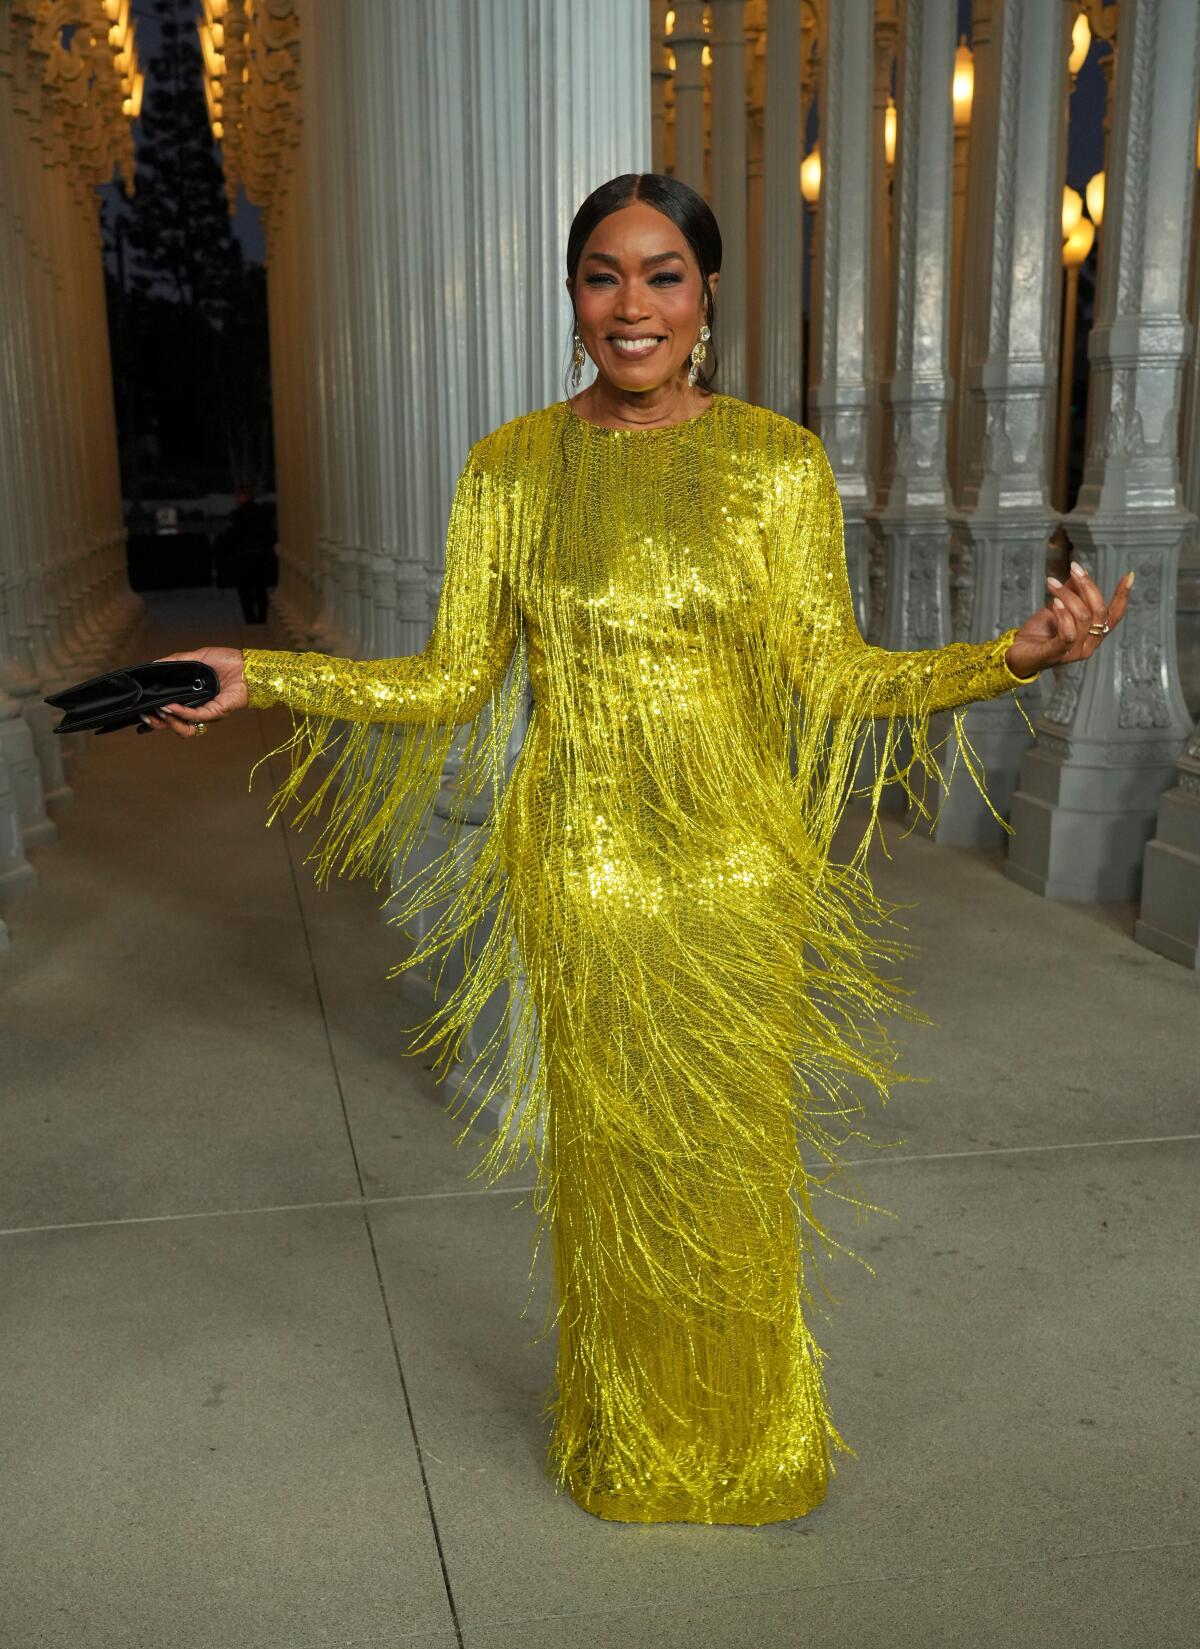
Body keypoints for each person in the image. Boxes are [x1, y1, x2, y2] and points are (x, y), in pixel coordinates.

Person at [143, 174, 1131, 1527]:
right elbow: (450, 682)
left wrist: (1007, 659)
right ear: (574, 299)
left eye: (663, 275)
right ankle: (637, 1445)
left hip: (737, 874)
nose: (632, 306)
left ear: (707, 296)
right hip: (585, 871)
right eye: (603, 276)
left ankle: (750, 1437)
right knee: (611, 1164)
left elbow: (834, 679)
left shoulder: (777, 468)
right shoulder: (511, 466)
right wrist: (264, 679)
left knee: (733, 1165)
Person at [217, 486, 276, 624]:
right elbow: (269, 535)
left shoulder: (237, 515)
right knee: (260, 588)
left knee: (245, 590)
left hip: (243, 556)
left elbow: (231, 537)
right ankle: (262, 617)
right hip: (260, 556)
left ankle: (250, 618)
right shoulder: (262, 513)